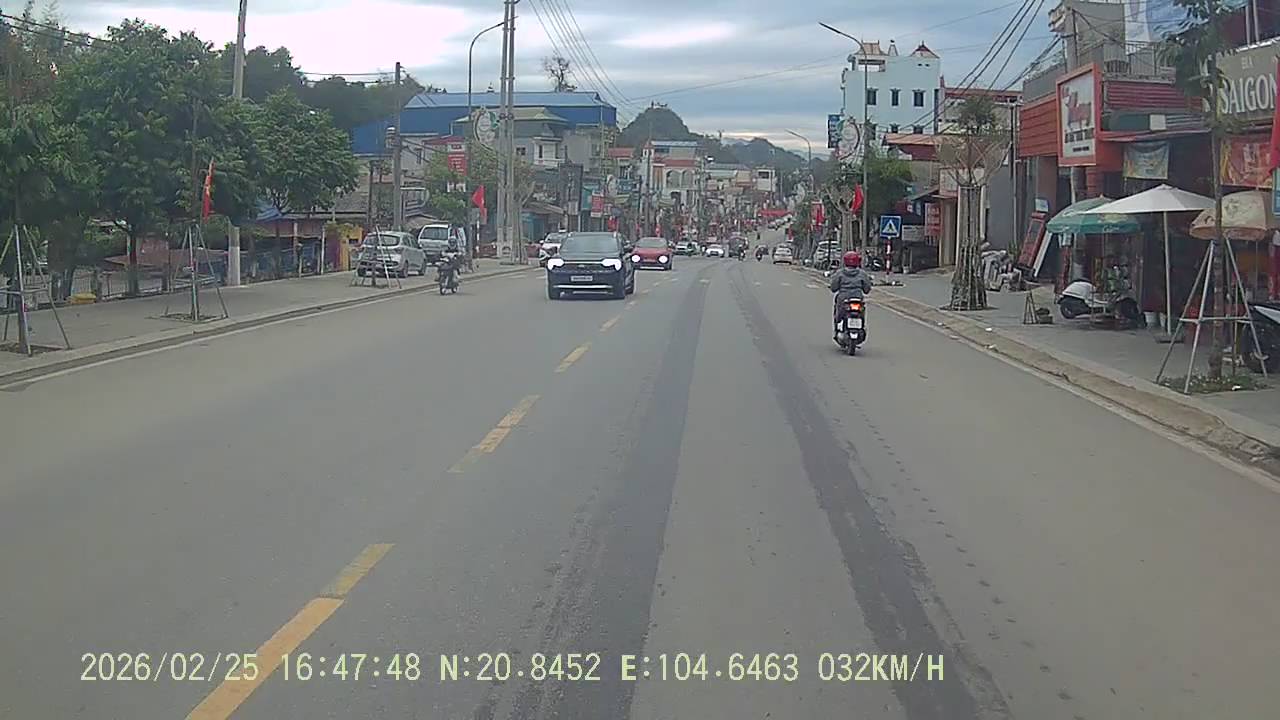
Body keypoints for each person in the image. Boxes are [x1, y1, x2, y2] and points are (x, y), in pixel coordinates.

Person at [829, 251, 872, 338]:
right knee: (861, 312)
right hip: (858, 298)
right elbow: (867, 289)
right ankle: (862, 326)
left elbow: (834, 287)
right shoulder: (862, 274)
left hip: (843, 298)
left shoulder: (839, 273)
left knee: (838, 315)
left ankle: (837, 328)